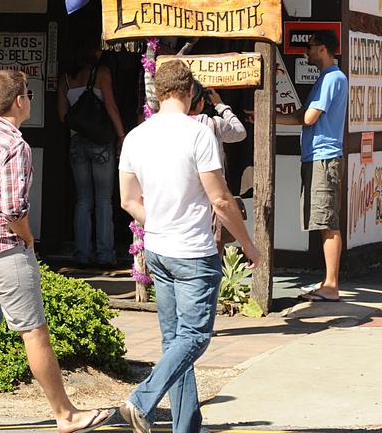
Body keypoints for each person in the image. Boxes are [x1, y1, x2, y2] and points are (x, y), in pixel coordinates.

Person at [0, 69, 114, 433]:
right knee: (35, 334)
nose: (31, 101)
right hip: (6, 252)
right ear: (19, 100)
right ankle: (65, 415)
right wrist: (28, 237)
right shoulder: (14, 145)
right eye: (29, 96)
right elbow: (14, 209)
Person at [118, 60, 260, 433]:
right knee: (194, 338)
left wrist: (159, 221)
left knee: (175, 342)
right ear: (189, 91)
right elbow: (221, 200)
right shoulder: (199, 134)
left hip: (159, 249)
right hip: (194, 251)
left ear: (159, 92)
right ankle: (141, 399)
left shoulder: (135, 136)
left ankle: (187, 426)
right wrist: (248, 244)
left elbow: (128, 200)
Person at [275, 29, 347, 303]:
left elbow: (309, 116)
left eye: (313, 47)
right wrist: (269, 117)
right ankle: (328, 282)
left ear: (325, 49)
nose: (308, 52)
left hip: (324, 156)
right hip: (316, 156)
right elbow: (301, 117)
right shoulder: (325, 79)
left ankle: (331, 285)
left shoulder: (332, 78)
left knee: (327, 220)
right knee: (321, 219)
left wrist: (289, 116)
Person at [58, 37, 126, 267]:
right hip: (100, 143)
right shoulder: (102, 72)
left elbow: (62, 116)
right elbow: (111, 105)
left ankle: (82, 253)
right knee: (104, 200)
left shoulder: (66, 78)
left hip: (77, 142)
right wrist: (121, 135)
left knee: (83, 199)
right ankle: (105, 254)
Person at [189, 80, 248, 252]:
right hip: (212, 196)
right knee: (214, 247)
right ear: (201, 102)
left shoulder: (170, 126)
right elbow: (240, 132)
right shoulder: (213, 124)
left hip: (186, 196)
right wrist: (221, 105)